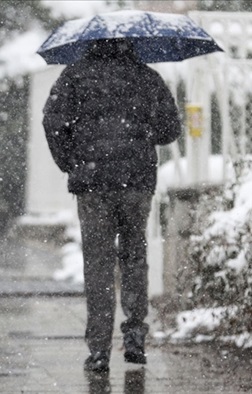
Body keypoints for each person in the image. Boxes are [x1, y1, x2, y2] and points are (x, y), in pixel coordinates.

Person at [42, 39, 181, 372]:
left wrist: (71, 162)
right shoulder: (148, 77)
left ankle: (100, 350)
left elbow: (52, 123)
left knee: (98, 264)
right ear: (130, 44)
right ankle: (134, 337)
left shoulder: (73, 76)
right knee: (135, 257)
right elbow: (170, 130)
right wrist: (142, 133)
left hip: (92, 183)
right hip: (135, 182)